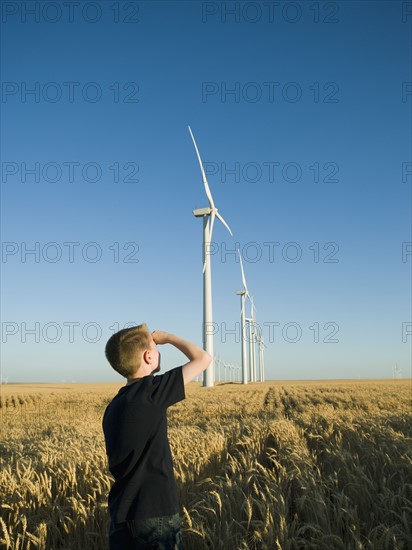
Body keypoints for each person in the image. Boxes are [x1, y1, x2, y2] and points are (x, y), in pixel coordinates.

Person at [102, 324, 211, 550]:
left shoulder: (114, 406)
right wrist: (168, 337)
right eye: (156, 346)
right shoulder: (151, 392)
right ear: (148, 356)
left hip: (121, 512)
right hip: (153, 514)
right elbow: (203, 359)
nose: (159, 348)